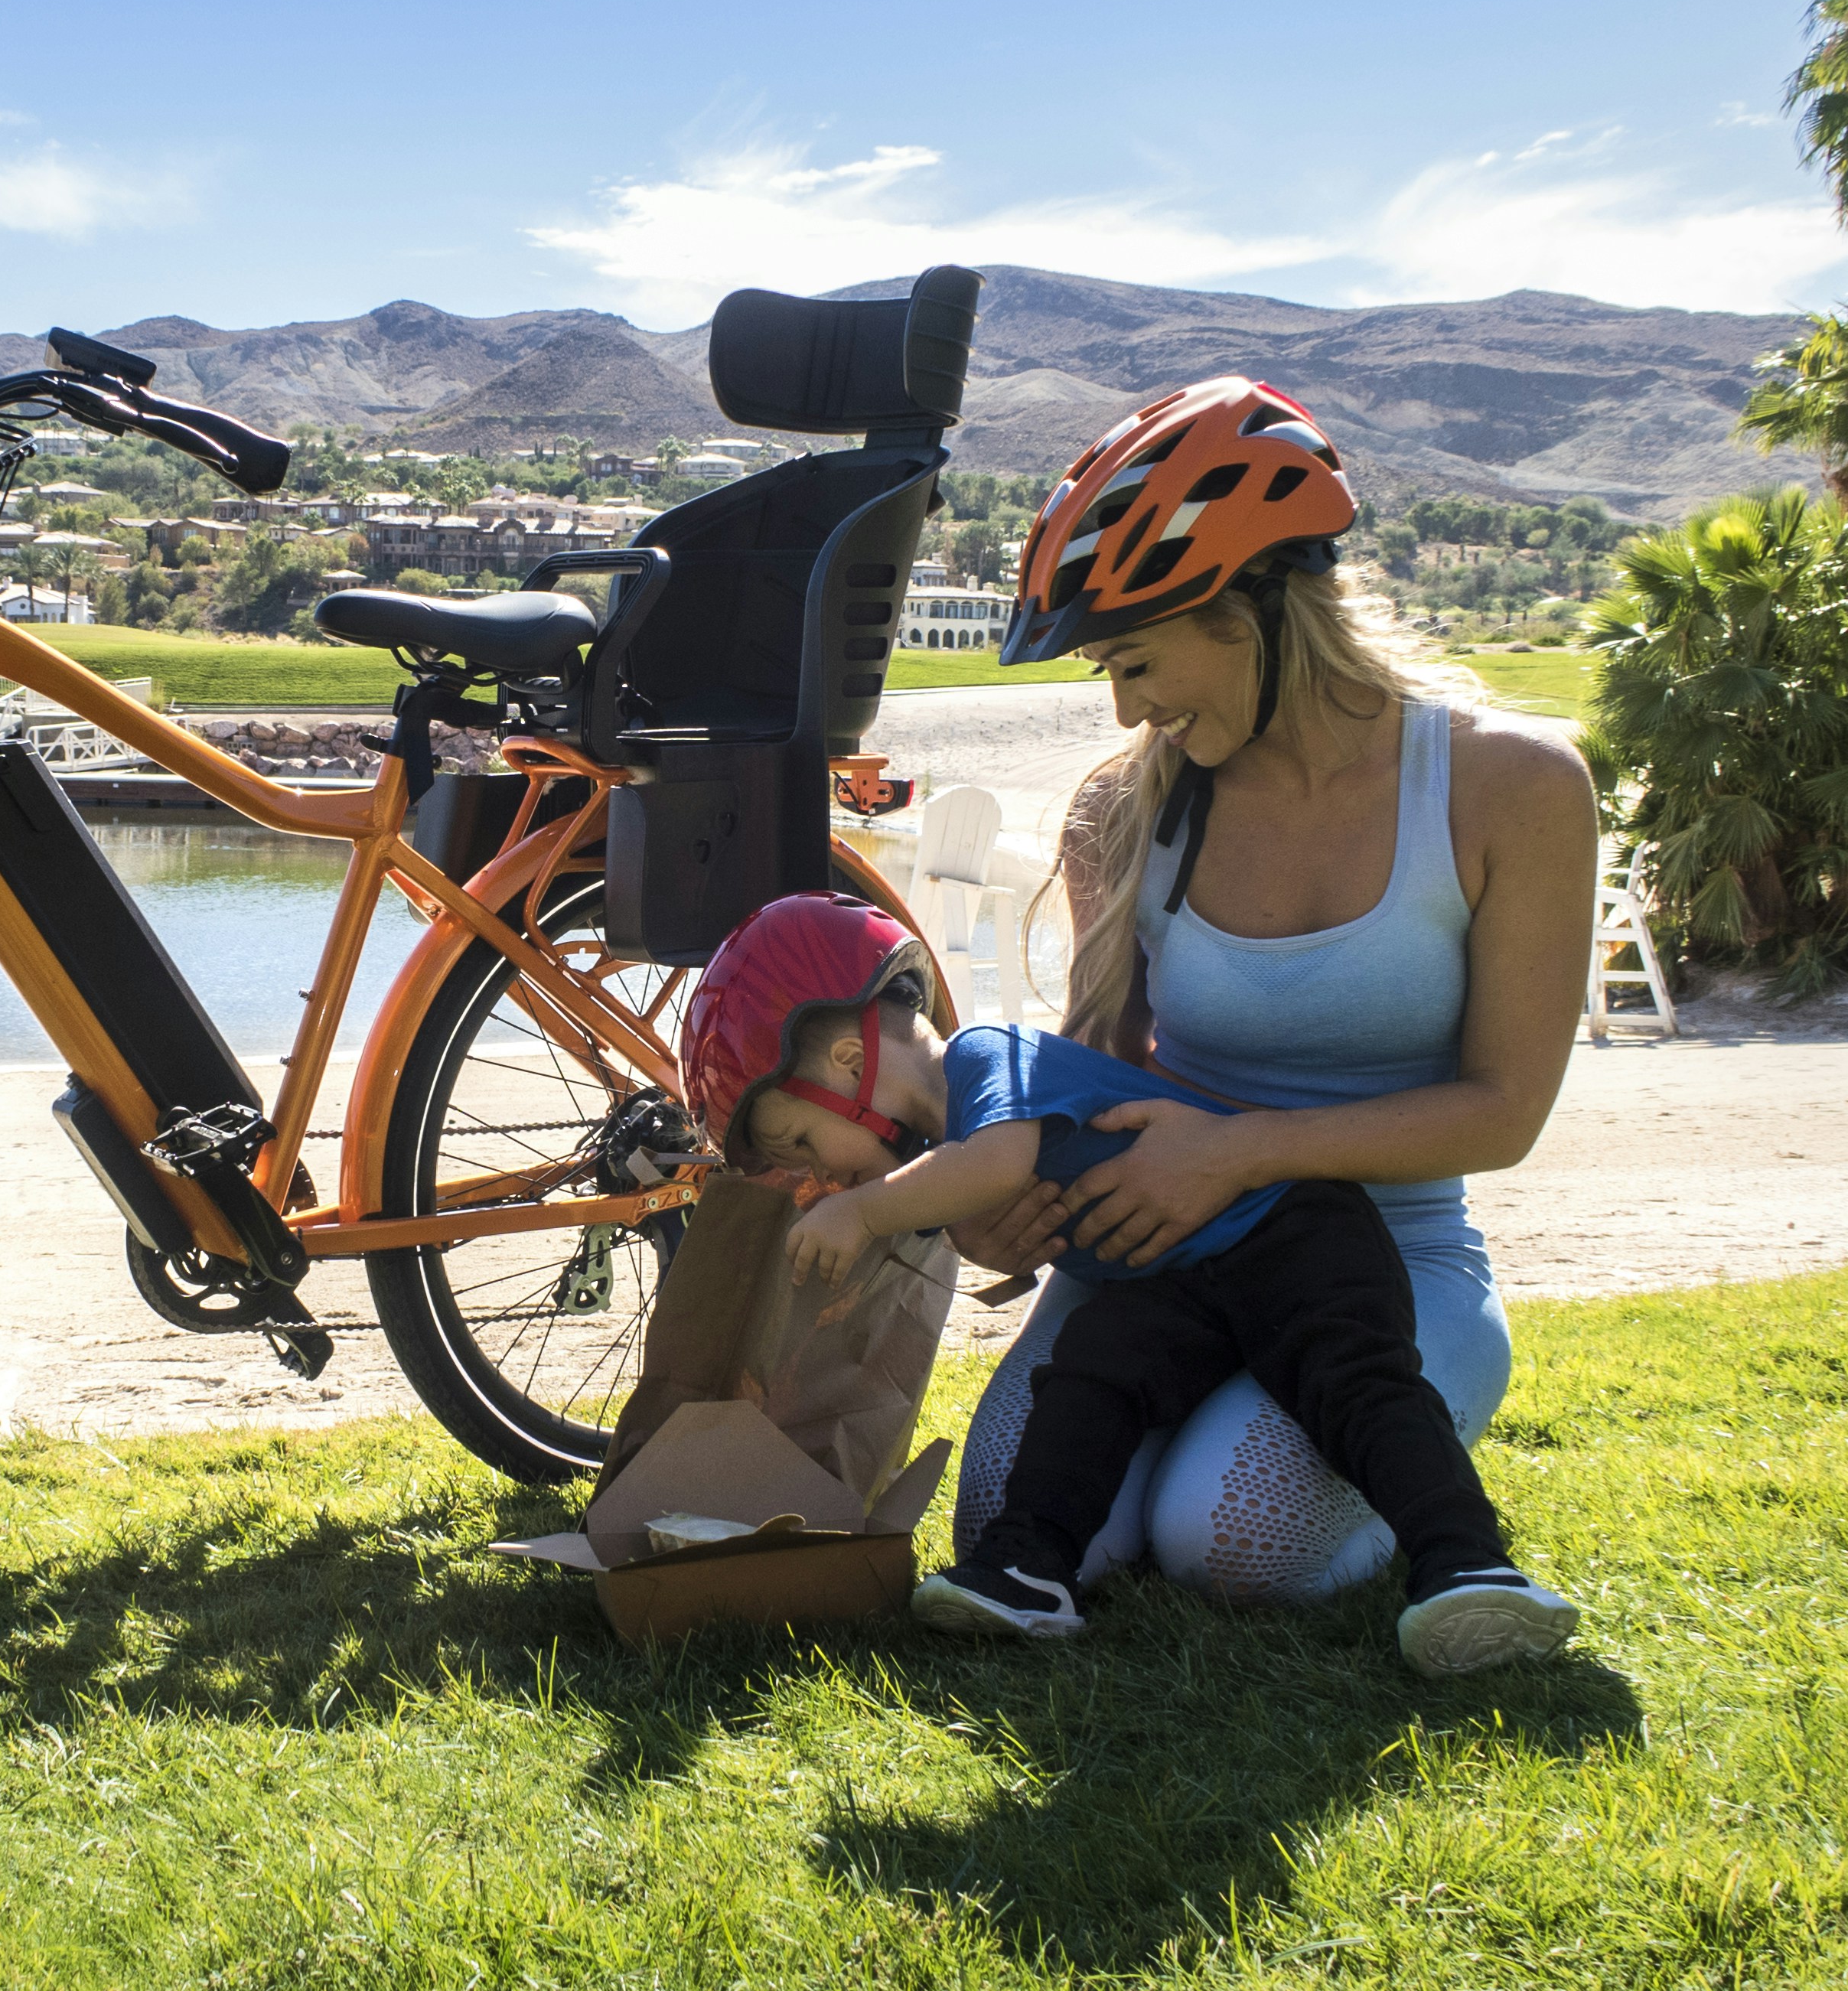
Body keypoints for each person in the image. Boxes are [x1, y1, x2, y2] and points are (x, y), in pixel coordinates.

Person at [940, 372, 1602, 1611]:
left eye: (1134, 660)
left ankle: (1411, 1454)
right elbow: (1093, 1073)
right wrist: (1008, 1205)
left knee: (1228, 1540)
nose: (1126, 705)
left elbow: (1504, 1110)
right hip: (1155, 1252)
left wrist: (1237, 1153)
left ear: (1243, 605)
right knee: (1010, 1522)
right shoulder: (1122, 806)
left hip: (1393, 1263)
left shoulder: (1511, 787)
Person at [679, 895, 1575, 1671]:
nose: (821, 1178)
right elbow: (977, 1195)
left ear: (844, 1062)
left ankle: (1467, 1562)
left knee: (1352, 1383)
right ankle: (1029, 1570)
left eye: (800, 1144)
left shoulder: (984, 1060)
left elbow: (996, 1160)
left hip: (1292, 1232)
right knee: (1089, 1376)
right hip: (1176, 1277)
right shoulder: (939, 1154)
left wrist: (866, 1215)